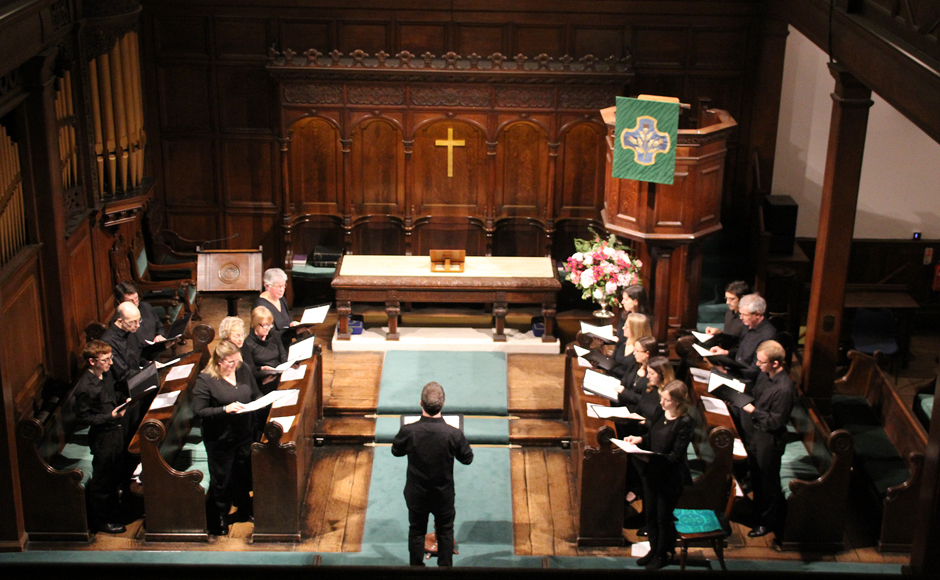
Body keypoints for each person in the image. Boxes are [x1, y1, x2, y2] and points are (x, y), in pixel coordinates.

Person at [391, 382, 473, 567]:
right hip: (442, 494)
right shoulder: (453, 434)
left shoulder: (408, 431)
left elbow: (396, 451)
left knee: (417, 531)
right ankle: (445, 570)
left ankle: (416, 569)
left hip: (416, 492)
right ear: (443, 404)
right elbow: (467, 458)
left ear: (421, 403)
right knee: (445, 531)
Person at [192, 340, 262, 536]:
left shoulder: (242, 369)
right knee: (221, 478)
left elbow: (255, 393)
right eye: (230, 362)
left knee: (242, 472)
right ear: (219, 361)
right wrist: (224, 409)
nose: (235, 364)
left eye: (236, 359)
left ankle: (245, 508)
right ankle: (219, 517)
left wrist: (261, 403)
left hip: (244, 433)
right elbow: (198, 411)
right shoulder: (206, 379)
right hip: (220, 438)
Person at [623, 380, 694, 571]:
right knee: (651, 515)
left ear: (678, 402)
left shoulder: (685, 423)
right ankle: (654, 550)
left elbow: (676, 456)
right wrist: (639, 440)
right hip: (652, 472)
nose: (662, 403)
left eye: (667, 400)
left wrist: (653, 458)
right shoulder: (659, 412)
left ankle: (663, 553)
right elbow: (651, 438)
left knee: (663, 517)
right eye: (662, 398)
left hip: (669, 477)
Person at [740, 340, 796, 539]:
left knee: (767, 481)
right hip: (757, 433)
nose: (757, 365)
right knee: (756, 475)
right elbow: (755, 393)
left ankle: (767, 522)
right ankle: (757, 511)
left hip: (770, 439)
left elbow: (775, 421)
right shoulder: (765, 376)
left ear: (776, 364)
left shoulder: (784, 389)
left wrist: (753, 411)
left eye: (762, 362)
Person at [74, 340, 130, 534]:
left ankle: (115, 511)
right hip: (102, 437)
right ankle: (102, 521)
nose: (110, 363)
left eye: (110, 358)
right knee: (103, 480)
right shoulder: (85, 387)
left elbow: (112, 397)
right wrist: (110, 416)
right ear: (91, 361)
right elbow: (83, 418)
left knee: (115, 475)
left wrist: (124, 402)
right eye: (105, 360)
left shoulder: (104, 376)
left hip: (115, 432)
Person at [708, 293, 777, 382]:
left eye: (744, 315)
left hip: (747, 380)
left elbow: (756, 371)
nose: (741, 318)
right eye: (740, 314)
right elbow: (741, 349)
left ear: (758, 315)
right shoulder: (747, 325)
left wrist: (728, 372)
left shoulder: (768, 335)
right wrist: (726, 352)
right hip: (737, 371)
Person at [241, 306, 288, 394]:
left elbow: (283, 355)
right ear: (255, 324)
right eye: (265, 325)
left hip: (280, 376)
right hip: (263, 382)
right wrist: (264, 371)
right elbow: (251, 371)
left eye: (270, 324)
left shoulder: (273, 335)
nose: (268, 328)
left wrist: (285, 367)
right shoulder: (248, 344)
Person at [101, 301, 144, 393]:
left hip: (136, 378)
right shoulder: (109, 341)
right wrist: (146, 373)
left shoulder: (130, 330)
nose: (137, 325)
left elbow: (138, 354)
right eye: (132, 322)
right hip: (123, 389)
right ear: (120, 321)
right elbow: (122, 375)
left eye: (139, 320)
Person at [113, 281, 167, 348]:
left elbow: (160, 326)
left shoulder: (146, 307)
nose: (135, 303)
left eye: (136, 298)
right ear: (120, 302)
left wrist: (160, 335)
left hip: (156, 350)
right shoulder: (119, 322)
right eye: (131, 301)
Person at [609, 312, 653, 380]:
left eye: (627, 327)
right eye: (624, 325)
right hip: (611, 378)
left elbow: (634, 377)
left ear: (635, 330)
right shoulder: (622, 341)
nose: (623, 328)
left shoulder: (641, 350)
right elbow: (611, 363)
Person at [253, 268, 298, 333]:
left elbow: (287, 321)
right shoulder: (260, 305)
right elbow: (265, 334)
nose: (282, 289)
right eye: (279, 286)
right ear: (268, 286)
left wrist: (293, 325)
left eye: (284, 285)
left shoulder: (281, 299)